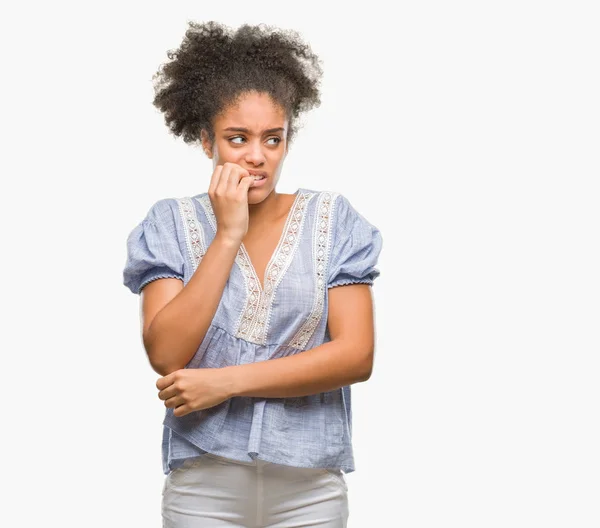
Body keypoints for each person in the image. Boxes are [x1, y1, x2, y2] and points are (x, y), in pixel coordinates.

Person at [122, 20, 383, 528]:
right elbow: (167, 353)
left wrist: (227, 382)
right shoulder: (169, 224)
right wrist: (227, 234)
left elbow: (356, 355)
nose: (257, 156)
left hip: (310, 488)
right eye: (237, 138)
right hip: (202, 485)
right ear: (205, 141)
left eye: (273, 139)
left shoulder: (334, 220)